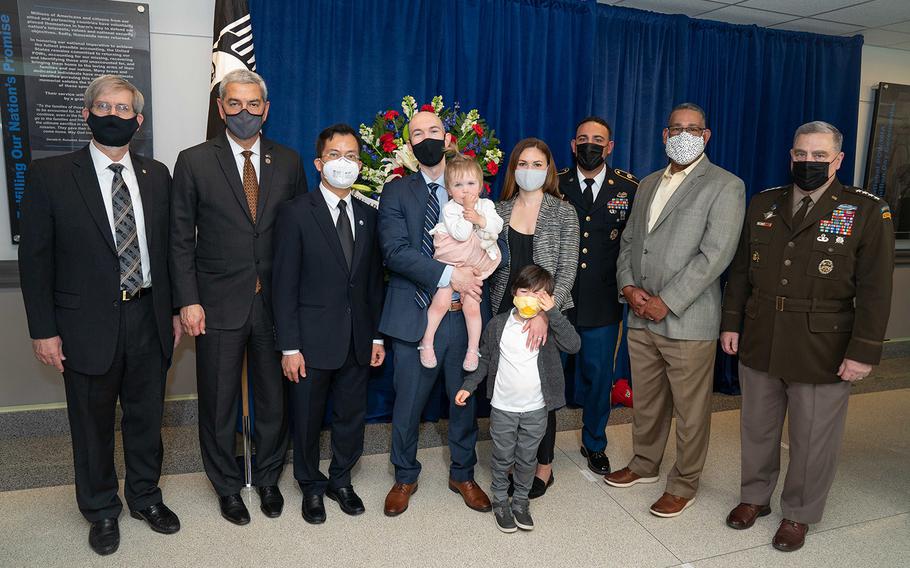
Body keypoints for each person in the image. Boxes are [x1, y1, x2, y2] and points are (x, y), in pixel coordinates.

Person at [18, 75, 181, 555]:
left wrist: (172, 309)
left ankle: (146, 497)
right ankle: (101, 509)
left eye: (124, 109)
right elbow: (36, 261)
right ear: (87, 114)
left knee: (147, 418)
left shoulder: (158, 176)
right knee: (90, 423)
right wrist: (43, 331)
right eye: (104, 107)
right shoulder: (51, 175)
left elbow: (170, 251)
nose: (114, 115)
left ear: (139, 121)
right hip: (83, 324)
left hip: (148, 317)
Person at [720, 121, 894, 551]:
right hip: (762, 333)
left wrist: (864, 352)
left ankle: (798, 513)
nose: (809, 162)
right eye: (801, 154)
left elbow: (876, 289)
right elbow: (742, 270)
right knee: (757, 427)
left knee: (813, 437)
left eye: (819, 156)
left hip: (824, 343)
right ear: (791, 155)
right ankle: (755, 497)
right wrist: (731, 322)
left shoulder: (867, 210)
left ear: (838, 160)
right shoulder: (765, 202)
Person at [169, 69, 308, 525]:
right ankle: (227, 485)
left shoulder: (287, 161)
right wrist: (187, 299)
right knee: (218, 401)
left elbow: (301, 234)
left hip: (274, 305)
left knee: (274, 400)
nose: (244, 112)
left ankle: (268, 478)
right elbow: (179, 239)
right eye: (235, 104)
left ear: (266, 109)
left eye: (253, 105)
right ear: (220, 107)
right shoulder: (192, 161)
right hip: (214, 304)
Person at [607, 103, 745, 518]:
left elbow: (716, 253)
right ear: (664, 135)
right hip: (639, 313)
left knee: (690, 409)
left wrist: (666, 301)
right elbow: (629, 241)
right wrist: (629, 288)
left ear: (706, 136)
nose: (684, 134)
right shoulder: (648, 182)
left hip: (686, 317)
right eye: (676, 128)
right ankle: (645, 464)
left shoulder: (725, 185)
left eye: (693, 129)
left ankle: (684, 483)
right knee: (647, 400)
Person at [377, 110, 494, 516]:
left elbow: (492, 239)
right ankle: (405, 475)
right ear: (409, 145)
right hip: (414, 315)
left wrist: (479, 268)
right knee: (407, 403)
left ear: (447, 138)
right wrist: (450, 274)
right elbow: (394, 252)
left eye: (434, 130)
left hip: (464, 317)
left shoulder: (470, 189)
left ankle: (462, 472)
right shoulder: (396, 192)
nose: (427, 137)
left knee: (462, 400)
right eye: (417, 133)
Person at [271, 124, 385, 524]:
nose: (344, 163)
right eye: (335, 156)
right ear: (319, 163)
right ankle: (310, 485)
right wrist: (289, 346)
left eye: (352, 156)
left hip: (357, 338)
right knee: (306, 418)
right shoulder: (295, 213)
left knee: (351, 416)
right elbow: (282, 285)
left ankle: (341, 480)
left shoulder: (369, 216)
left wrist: (375, 336)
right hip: (309, 342)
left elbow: (371, 282)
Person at [456, 265, 580, 533]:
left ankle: (521, 501)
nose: (530, 298)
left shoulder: (548, 325)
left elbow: (574, 344)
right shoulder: (499, 324)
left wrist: (552, 312)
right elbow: (485, 358)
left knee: (527, 459)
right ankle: (500, 500)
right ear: (514, 292)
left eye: (538, 294)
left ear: (547, 297)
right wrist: (469, 385)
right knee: (502, 457)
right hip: (503, 407)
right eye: (525, 291)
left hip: (536, 409)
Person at [488, 138, 580, 498]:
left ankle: (544, 466)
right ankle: (512, 463)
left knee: (542, 387)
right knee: (509, 385)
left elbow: (568, 268)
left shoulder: (563, 212)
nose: (530, 171)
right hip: (505, 308)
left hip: (547, 312)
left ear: (549, 169)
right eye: (523, 164)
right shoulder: (500, 210)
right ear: (514, 170)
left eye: (537, 164)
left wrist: (545, 312)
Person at [559, 116, 638, 475]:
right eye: (583, 139)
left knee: (598, 378)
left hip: (603, 303)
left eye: (598, 140)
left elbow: (635, 245)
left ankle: (595, 443)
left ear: (610, 147)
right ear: (574, 145)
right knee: (548, 376)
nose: (590, 145)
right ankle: (541, 447)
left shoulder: (629, 188)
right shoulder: (554, 183)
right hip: (557, 301)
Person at [419, 153, 504, 372]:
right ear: (449, 190)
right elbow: (460, 234)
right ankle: (427, 342)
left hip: (473, 264)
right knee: (440, 302)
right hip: (451, 263)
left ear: (480, 186)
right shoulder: (450, 209)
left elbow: (496, 226)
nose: (465, 190)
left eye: (470, 184)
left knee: (472, 306)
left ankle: (473, 349)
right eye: (458, 185)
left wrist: (481, 219)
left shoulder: (486, 205)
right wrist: (469, 216)